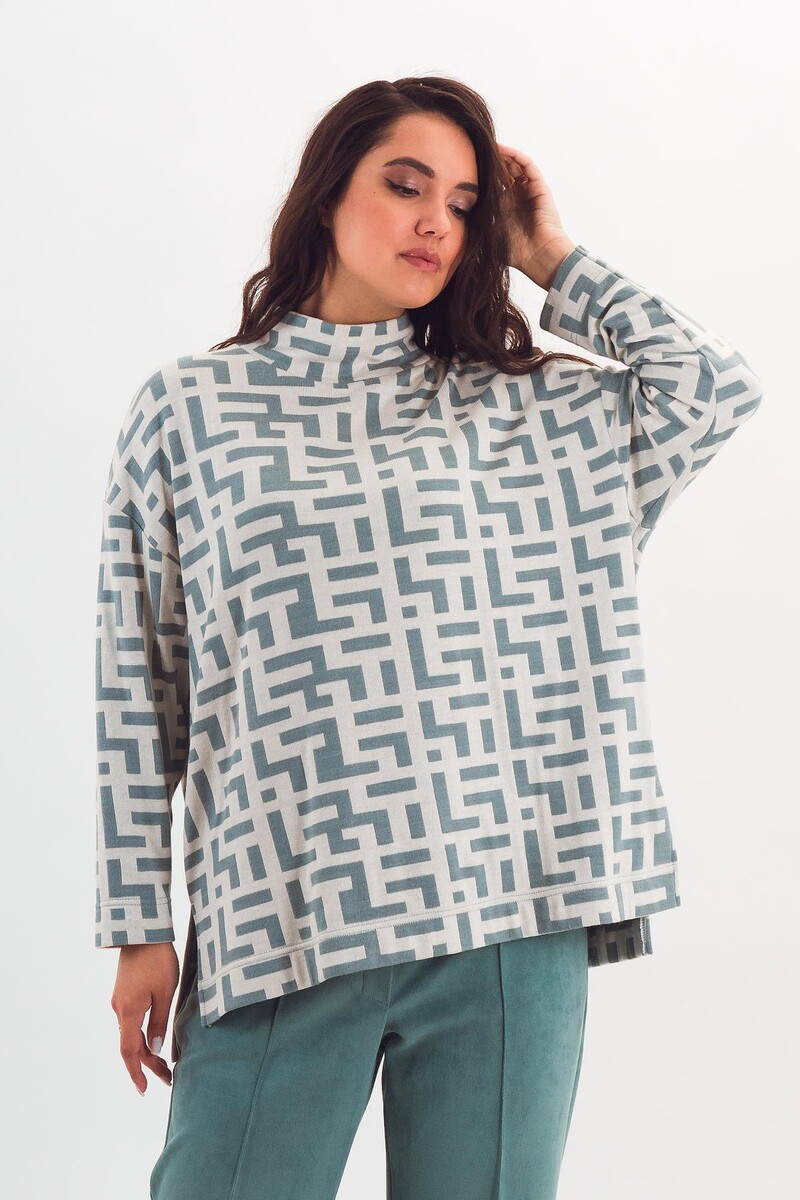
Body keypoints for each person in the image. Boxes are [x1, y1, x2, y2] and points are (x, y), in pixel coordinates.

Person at [94, 75, 763, 1200]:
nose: (434, 224)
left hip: (511, 918)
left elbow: (713, 387)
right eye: (405, 186)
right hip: (282, 912)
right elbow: (138, 682)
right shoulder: (191, 408)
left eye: (462, 204)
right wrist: (138, 924)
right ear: (324, 193)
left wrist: (549, 257)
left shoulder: (534, 411)